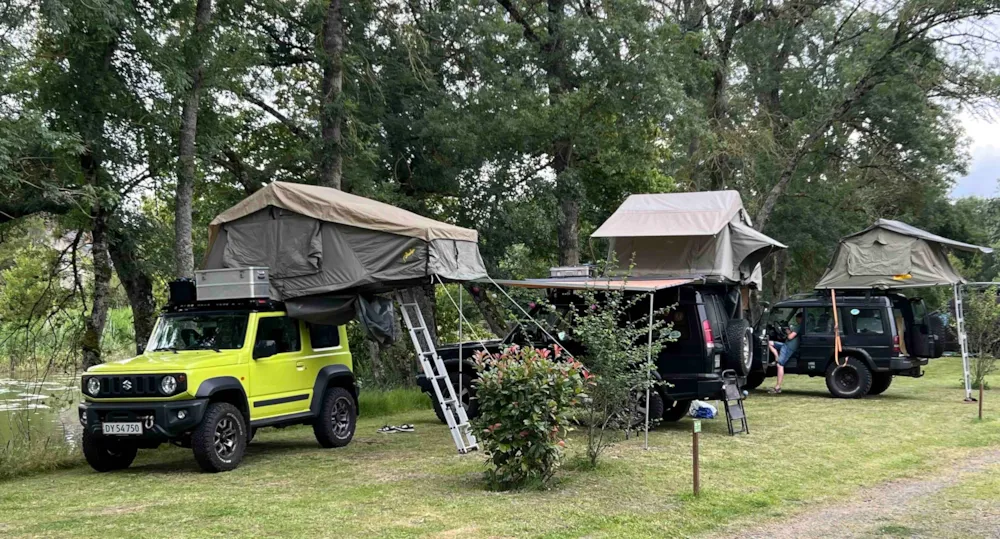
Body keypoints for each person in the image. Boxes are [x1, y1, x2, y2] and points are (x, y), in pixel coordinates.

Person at [768, 311, 803, 394]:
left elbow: (790, 337)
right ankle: (776, 356)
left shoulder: (799, 327)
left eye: (797, 319)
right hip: (785, 345)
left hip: (789, 347)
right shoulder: (802, 326)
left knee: (780, 365)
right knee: (769, 343)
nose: (797, 320)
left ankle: (778, 387)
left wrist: (788, 332)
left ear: (801, 319)